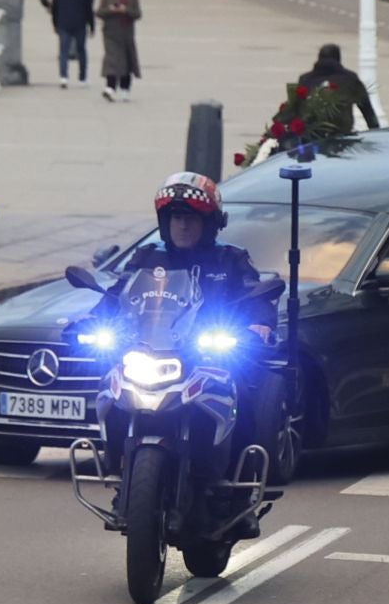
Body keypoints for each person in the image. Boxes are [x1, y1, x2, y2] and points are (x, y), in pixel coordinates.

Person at [106, 173, 282, 495]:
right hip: (153, 350)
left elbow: (256, 296)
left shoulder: (230, 259)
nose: (182, 226)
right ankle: (118, 469)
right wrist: (89, 322)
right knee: (110, 389)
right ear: (164, 220)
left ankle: (241, 484)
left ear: (210, 222)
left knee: (242, 395)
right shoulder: (148, 257)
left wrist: (259, 325)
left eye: (191, 218)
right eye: (176, 217)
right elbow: (117, 295)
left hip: (209, 357)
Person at [296, 43, 381, 130]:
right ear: (339, 59)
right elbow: (367, 109)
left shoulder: (305, 79)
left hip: (312, 135)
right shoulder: (350, 78)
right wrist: (375, 130)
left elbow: (295, 109)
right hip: (342, 133)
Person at [51, 0, 96, 89]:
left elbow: (55, 6)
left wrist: (55, 22)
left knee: (63, 50)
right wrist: (92, 25)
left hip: (63, 21)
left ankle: (63, 77)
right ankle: (82, 77)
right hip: (80, 22)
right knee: (81, 50)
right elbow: (88, 8)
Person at [99, 0, 143, 102]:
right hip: (110, 34)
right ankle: (110, 87)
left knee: (126, 62)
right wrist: (110, 10)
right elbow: (100, 12)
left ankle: (125, 89)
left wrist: (126, 10)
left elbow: (137, 14)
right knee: (112, 61)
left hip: (126, 34)